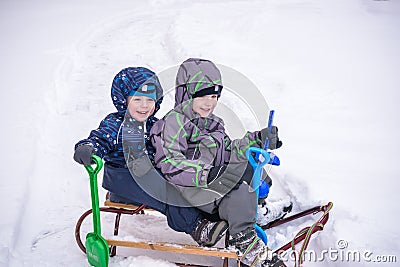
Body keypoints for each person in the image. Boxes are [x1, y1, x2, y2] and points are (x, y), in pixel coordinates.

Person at [150, 58, 292, 266]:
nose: (210, 102)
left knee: (252, 169)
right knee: (238, 190)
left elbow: (227, 151)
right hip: (192, 188)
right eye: (204, 96)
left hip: (211, 178)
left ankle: (255, 211)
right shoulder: (173, 123)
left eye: (215, 96)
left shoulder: (214, 122)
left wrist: (258, 139)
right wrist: (206, 173)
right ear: (187, 94)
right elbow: (170, 163)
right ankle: (243, 239)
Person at [73, 67, 228, 247]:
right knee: (165, 192)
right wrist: (88, 148)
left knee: (179, 181)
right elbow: (100, 138)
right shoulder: (116, 124)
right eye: (137, 99)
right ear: (124, 100)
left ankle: (212, 214)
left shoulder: (155, 124)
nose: (144, 106)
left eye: (150, 100)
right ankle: (197, 227)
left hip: (148, 173)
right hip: (123, 178)